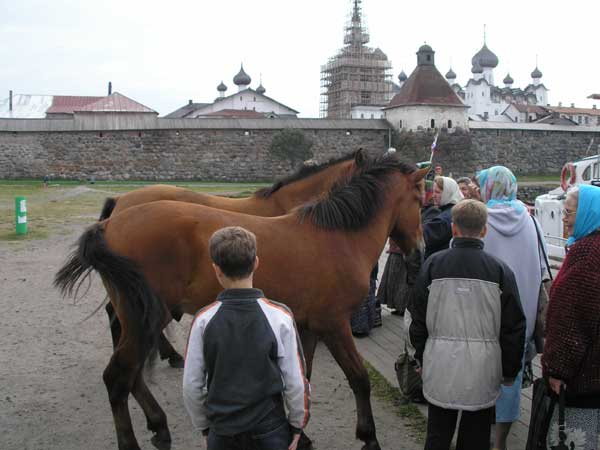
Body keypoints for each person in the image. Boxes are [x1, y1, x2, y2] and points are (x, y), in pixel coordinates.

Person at [409, 200, 526, 450]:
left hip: (439, 363)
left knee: (437, 435)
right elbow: (513, 327)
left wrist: (419, 356)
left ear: (453, 228)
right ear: (484, 230)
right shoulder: (500, 271)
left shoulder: (433, 265)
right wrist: (509, 370)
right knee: (475, 437)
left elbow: (416, 318)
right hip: (483, 368)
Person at [183, 226, 310, 450]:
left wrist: (203, 427)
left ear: (216, 270)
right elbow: (296, 381)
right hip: (269, 427)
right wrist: (297, 425)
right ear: (256, 263)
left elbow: (192, 385)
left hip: (222, 429)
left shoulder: (203, 320)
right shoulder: (279, 317)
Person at [476, 165, 549, 450]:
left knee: (481, 377)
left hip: (485, 316)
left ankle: (480, 432)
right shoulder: (531, 221)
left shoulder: (480, 221)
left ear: (488, 188)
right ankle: (500, 442)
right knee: (511, 380)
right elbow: (542, 268)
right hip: (522, 319)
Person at [542, 185, 600, 450]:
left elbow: (571, 320)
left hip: (583, 378)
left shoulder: (587, 255)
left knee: (576, 439)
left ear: (589, 213)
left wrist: (557, 370)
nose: (563, 218)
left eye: (569, 212)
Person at [422, 176, 463, 259]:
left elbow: (420, 236)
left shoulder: (445, 218)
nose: (433, 196)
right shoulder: (456, 210)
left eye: (437, 192)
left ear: (448, 192)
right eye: (433, 192)